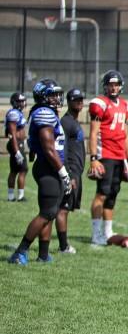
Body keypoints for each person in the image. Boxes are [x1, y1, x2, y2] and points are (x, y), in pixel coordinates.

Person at [7, 80, 72, 265]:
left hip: (50, 167)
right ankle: (20, 251)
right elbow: (49, 148)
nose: (57, 98)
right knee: (47, 213)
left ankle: (43, 254)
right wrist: (63, 172)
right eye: (52, 94)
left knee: (49, 212)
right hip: (48, 168)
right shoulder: (43, 113)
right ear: (42, 96)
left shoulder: (46, 112)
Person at [88, 70, 128, 245]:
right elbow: (93, 133)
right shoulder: (100, 103)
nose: (113, 87)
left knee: (113, 194)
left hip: (119, 156)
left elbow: (125, 135)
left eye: (116, 84)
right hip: (105, 154)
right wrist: (94, 158)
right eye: (110, 84)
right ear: (105, 86)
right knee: (102, 193)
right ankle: (95, 234)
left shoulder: (124, 105)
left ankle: (107, 231)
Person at [55, 88, 87, 254]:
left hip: (76, 172)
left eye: (81, 99)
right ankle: (63, 246)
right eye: (76, 100)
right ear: (68, 102)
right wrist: (69, 175)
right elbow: (62, 150)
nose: (80, 102)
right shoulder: (66, 123)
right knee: (62, 209)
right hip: (70, 173)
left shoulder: (73, 121)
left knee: (62, 209)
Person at [6, 91, 28, 202]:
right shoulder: (13, 113)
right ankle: (20, 196)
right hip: (15, 143)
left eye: (23, 101)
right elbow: (13, 134)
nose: (23, 103)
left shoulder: (18, 113)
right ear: (14, 102)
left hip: (18, 143)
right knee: (23, 169)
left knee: (14, 170)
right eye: (20, 101)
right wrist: (17, 150)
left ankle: (11, 196)